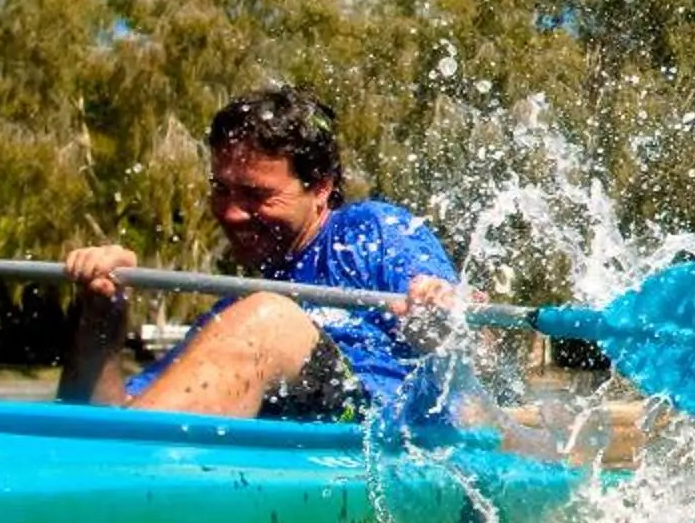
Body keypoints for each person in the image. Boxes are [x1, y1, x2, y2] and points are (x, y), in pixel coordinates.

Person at [59, 85, 467, 420]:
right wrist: (102, 311)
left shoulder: (370, 229)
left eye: (256, 194)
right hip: (305, 421)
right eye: (221, 189)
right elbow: (105, 416)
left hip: (383, 433)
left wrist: (439, 317)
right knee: (256, 313)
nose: (232, 214)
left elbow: (467, 337)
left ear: (321, 187)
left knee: (267, 318)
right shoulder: (232, 314)